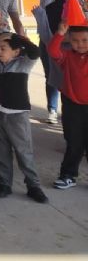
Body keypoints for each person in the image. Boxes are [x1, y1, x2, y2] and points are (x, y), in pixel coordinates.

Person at [19, 0, 87, 124]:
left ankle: (73, 108)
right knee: (52, 77)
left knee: (72, 76)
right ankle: (52, 109)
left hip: (73, 44)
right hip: (51, 42)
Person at [0, 11, 48, 203]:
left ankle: (33, 185)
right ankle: (4, 183)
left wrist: (16, 36)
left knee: (23, 151)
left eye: (3, 48)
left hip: (17, 115)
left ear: (16, 51)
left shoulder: (23, 64)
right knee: (2, 151)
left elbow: (35, 52)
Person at [48, 22, 88, 190]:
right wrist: (60, 33)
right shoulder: (66, 57)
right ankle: (68, 175)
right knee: (74, 142)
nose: (80, 44)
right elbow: (52, 51)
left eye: (85, 40)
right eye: (76, 41)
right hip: (72, 106)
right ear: (69, 41)